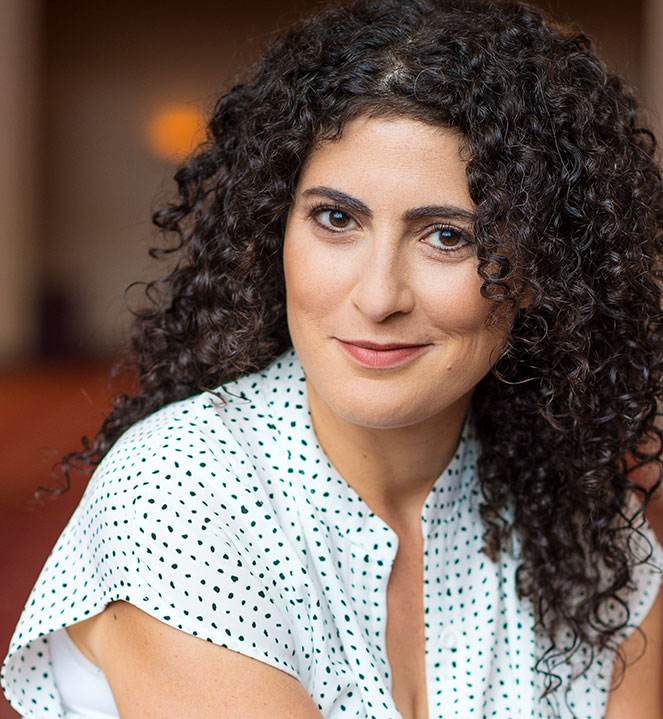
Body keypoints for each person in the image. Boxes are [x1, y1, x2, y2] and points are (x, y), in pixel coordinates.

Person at [2, 0, 663, 717]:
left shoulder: (592, 527)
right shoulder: (179, 491)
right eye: (337, 218)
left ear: (542, 269)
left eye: (448, 236)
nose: (377, 297)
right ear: (275, 229)